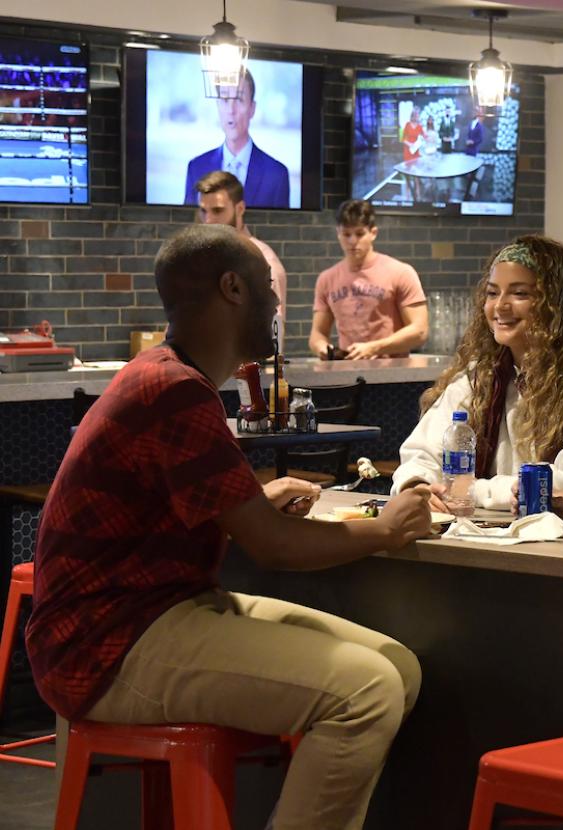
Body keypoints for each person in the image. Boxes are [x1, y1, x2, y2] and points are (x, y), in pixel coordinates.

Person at [26, 224, 433, 830]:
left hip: (154, 614)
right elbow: (275, 547)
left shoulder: (167, 377)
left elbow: (189, 509)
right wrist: (388, 526)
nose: (276, 304)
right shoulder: (171, 389)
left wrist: (253, 498)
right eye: (268, 288)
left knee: (395, 667)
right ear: (232, 288)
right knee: (365, 691)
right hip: (109, 645)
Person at [391, 235, 563, 512]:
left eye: (520, 294)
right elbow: (420, 452)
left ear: (555, 305)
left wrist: (469, 489)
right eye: (493, 293)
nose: (500, 306)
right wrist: (418, 486)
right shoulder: (481, 375)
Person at [310, 199, 429, 360]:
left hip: (392, 375)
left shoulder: (400, 272)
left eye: (359, 234)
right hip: (346, 371)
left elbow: (420, 331)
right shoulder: (326, 279)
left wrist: (375, 348)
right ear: (338, 233)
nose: (352, 241)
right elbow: (317, 334)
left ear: (373, 233)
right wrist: (323, 349)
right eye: (346, 234)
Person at [184, 69, 290, 209]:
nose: (231, 110)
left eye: (239, 99)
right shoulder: (197, 168)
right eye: (225, 99)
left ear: (252, 108)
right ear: (217, 105)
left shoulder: (276, 174)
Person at [195, 170, 287, 322]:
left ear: (240, 209)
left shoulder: (264, 263)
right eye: (204, 211)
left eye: (218, 210)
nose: (208, 220)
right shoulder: (199, 258)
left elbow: (274, 335)